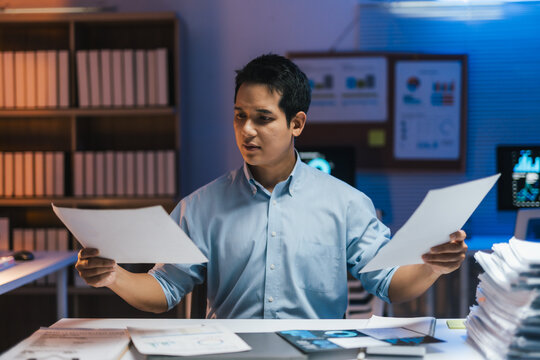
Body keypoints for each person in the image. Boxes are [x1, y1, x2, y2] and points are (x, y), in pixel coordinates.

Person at [76, 54, 467, 319]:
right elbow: (165, 289)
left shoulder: (346, 203)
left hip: (317, 354)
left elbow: (389, 285)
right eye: (239, 116)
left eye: (263, 118)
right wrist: (113, 275)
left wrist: (432, 266)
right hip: (229, 355)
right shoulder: (199, 206)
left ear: (296, 123)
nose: (247, 130)